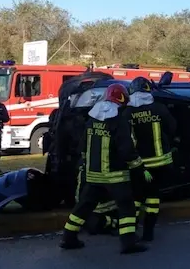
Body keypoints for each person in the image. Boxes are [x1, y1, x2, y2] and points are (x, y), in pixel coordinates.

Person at [60, 83, 148, 254]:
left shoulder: (92, 120)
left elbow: (83, 146)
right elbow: (126, 149)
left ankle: (68, 237)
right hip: (115, 176)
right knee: (127, 207)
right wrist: (139, 167)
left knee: (83, 207)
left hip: (93, 175)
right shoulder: (118, 121)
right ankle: (128, 243)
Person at [125, 77, 177, 242]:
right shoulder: (159, 109)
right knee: (153, 197)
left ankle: (130, 233)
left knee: (136, 198)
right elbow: (172, 128)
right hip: (160, 163)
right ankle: (148, 233)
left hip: (137, 165)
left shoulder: (127, 112)